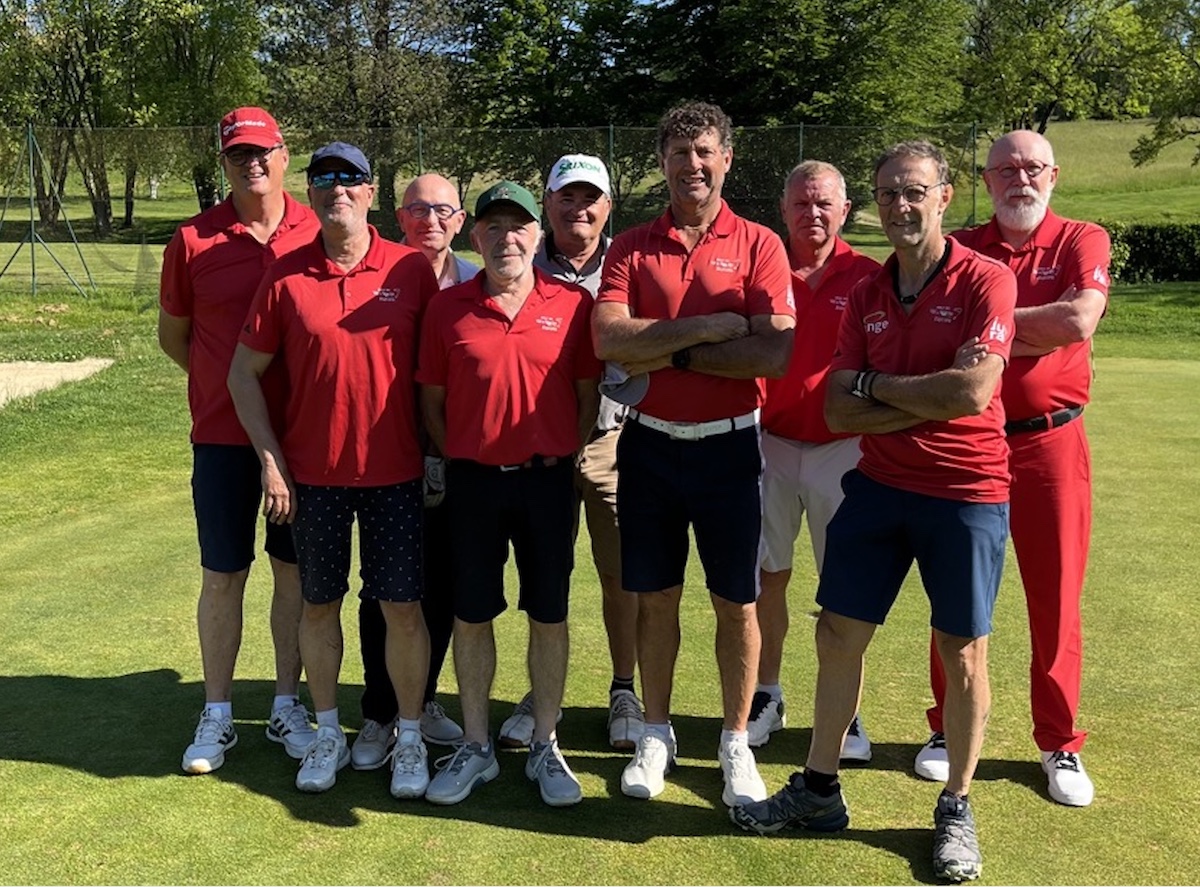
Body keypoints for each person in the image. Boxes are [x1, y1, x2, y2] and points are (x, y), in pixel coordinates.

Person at [731, 140, 1017, 884]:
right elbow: (836, 405)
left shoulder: (988, 279)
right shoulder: (867, 292)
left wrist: (878, 385)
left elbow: (971, 394)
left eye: (914, 191)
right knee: (837, 632)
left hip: (966, 490)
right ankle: (820, 788)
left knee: (962, 652)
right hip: (880, 485)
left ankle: (955, 804)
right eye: (889, 192)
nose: (900, 205)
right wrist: (912, 392)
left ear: (946, 196)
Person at [592, 101, 795, 808]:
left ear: (727, 158)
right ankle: (657, 729)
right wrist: (705, 330)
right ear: (662, 163)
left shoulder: (760, 243)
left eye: (705, 152)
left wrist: (665, 347)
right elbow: (611, 339)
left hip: (732, 447)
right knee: (655, 597)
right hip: (647, 442)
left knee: (736, 602)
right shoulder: (632, 246)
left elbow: (771, 347)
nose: (693, 166)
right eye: (679, 155)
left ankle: (735, 739)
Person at [227, 142, 439, 798]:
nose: (336, 189)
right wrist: (270, 459)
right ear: (310, 191)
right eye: (323, 179)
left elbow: (438, 376)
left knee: (402, 607)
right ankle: (326, 733)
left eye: (350, 178)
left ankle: (408, 735)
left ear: (372, 191)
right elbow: (242, 374)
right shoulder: (287, 274)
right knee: (318, 605)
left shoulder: (411, 269)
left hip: (396, 472)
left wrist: (440, 455)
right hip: (311, 478)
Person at [913, 130, 1109, 808]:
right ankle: (945, 730)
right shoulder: (960, 245)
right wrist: (1027, 325)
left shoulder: (1082, 238)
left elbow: (1079, 319)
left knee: (1055, 598)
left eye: (1032, 168)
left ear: (1054, 175)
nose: (1020, 179)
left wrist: (992, 326)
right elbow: (940, 335)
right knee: (959, 594)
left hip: (1054, 443)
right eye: (1006, 169)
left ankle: (1059, 741)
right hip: (975, 441)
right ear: (986, 179)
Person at [418, 180, 601, 807]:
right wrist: (468, 453)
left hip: (548, 482)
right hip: (472, 483)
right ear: (476, 237)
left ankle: (546, 742)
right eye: (493, 228)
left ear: (538, 234)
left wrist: (558, 452)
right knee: (472, 614)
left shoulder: (573, 306)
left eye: (518, 226)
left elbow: (586, 399)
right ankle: (476, 744)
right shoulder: (447, 309)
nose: (507, 239)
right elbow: (432, 405)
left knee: (548, 613)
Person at [159, 106, 319, 774]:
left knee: (295, 574)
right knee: (223, 574)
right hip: (222, 439)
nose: (252, 165)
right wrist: (221, 387)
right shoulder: (193, 240)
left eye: (262, 152)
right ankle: (218, 711)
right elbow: (176, 336)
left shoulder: (318, 229)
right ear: (223, 163)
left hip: (305, 436)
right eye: (238, 156)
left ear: (285, 155)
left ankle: (287, 702)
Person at [495, 153, 644, 752]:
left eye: (590, 198)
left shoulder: (630, 266)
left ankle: (624, 689)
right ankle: (543, 690)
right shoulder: (520, 267)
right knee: (546, 576)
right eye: (566, 197)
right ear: (548, 203)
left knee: (620, 574)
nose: (578, 209)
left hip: (615, 440)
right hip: (544, 447)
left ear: (608, 207)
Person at [751, 160, 880, 759]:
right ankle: (766, 693)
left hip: (843, 449)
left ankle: (844, 715)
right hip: (767, 443)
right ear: (784, 210)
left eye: (825, 203)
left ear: (845, 210)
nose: (813, 214)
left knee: (845, 587)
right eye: (801, 204)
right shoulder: (762, 268)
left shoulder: (872, 277)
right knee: (765, 578)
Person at [348, 173, 472, 771]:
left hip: (454, 453)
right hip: (388, 455)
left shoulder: (476, 278)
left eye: (443, 209)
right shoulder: (382, 273)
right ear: (400, 215)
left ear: (460, 218)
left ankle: (419, 702)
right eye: (419, 208)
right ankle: (377, 712)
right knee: (386, 588)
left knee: (443, 582)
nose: (431, 219)